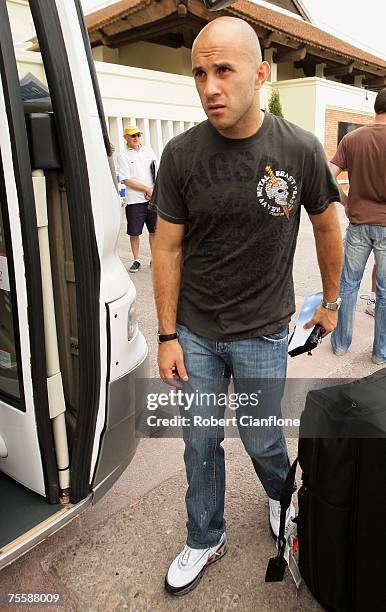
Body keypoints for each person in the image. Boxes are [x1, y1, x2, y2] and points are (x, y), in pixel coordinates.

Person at [152, 16, 343, 596]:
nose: (210, 86)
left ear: (260, 74)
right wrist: (166, 335)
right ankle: (205, 535)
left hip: (262, 331)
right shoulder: (182, 155)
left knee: (263, 436)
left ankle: (280, 499)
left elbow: (328, 228)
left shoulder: (299, 149)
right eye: (199, 74)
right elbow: (166, 246)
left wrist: (332, 302)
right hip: (196, 332)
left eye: (224, 71)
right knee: (200, 440)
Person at [329, 88, 386, 364]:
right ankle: (380, 353)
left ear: (375, 108)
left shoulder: (352, 138)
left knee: (349, 285)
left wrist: (346, 201)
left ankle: (340, 344)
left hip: (358, 223)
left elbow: (327, 175)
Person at [117, 125, 157, 272]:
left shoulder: (149, 151)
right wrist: (147, 189)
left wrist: (154, 190)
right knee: (134, 232)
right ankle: (136, 260)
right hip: (134, 200)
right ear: (125, 137)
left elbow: (156, 171)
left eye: (138, 135)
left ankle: (155, 258)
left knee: (154, 230)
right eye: (132, 136)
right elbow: (126, 180)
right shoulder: (123, 156)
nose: (136, 138)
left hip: (152, 198)